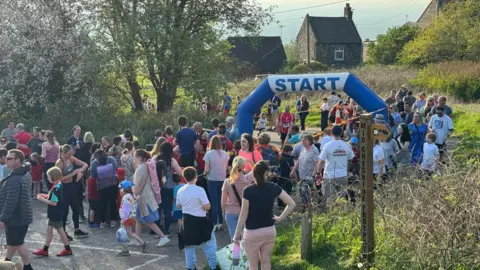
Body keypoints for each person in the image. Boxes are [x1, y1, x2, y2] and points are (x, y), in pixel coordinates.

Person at [233, 161, 296, 270]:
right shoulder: (273, 187)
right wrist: (280, 218)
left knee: (253, 265)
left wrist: (236, 234)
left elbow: (243, 214)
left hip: (252, 232)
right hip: (269, 230)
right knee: (266, 263)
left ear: (254, 173)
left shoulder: (247, 190)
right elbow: (291, 204)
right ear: (267, 173)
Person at [177, 167, 218, 270]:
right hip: (200, 221)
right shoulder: (200, 190)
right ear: (195, 177)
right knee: (210, 245)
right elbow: (207, 206)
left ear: (184, 177)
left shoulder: (180, 190)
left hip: (187, 222)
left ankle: (190, 267)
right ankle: (213, 266)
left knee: (189, 248)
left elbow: (178, 205)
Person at [0, 150, 33, 270]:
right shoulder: (26, 173)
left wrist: (3, 218)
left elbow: (11, 201)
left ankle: (28, 266)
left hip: (16, 217)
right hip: (23, 215)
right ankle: (7, 262)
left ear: (18, 160)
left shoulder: (14, 179)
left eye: (9, 159)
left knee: (18, 243)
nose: (6, 160)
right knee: (12, 242)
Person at [132, 150, 170, 247]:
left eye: (135, 157)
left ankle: (162, 237)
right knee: (139, 219)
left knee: (147, 220)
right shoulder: (148, 166)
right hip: (147, 196)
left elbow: (136, 188)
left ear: (140, 157)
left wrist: (130, 189)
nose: (134, 159)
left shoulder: (140, 169)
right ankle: (137, 240)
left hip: (143, 198)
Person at [33, 167, 73, 257]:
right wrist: (45, 195)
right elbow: (53, 197)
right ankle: (45, 249)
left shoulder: (56, 188)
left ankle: (67, 249)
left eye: (48, 177)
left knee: (60, 232)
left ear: (53, 177)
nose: (47, 178)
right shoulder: (58, 185)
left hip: (55, 213)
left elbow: (54, 203)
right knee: (50, 231)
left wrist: (41, 199)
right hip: (55, 213)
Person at [56, 144, 89, 239]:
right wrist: (72, 174)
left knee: (76, 208)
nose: (71, 155)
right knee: (64, 211)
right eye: (69, 153)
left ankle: (77, 229)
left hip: (71, 186)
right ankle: (63, 232)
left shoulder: (71, 159)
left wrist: (80, 171)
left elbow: (85, 164)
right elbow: (59, 178)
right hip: (63, 187)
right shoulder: (59, 162)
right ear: (64, 153)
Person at [317, 126, 354, 209]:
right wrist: (347, 170)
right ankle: (340, 215)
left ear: (332, 134)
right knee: (341, 198)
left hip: (329, 176)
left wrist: (318, 173)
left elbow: (321, 161)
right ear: (341, 133)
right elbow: (350, 159)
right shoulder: (347, 145)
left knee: (328, 198)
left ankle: (331, 215)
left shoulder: (327, 145)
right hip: (342, 175)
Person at [154, 142, 183, 236]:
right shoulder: (171, 160)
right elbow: (180, 172)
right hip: (169, 187)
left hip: (157, 187)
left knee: (157, 208)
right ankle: (166, 230)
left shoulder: (155, 159)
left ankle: (157, 229)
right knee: (168, 209)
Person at [221, 157, 253, 240]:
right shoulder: (247, 179)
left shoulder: (227, 181)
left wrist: (223, 210)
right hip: (244, 211)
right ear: (243, 167)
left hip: (230, 212)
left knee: (234, 238)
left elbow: (223, 200)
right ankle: (246, 253)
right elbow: (256, 169)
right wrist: (250, 162)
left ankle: (236, 253)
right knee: (245, 237)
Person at [204, 136, 230, 231]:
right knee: (221, 201)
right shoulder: (225, 154)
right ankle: (221, 221)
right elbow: (226, 168)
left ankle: (215, 222)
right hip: (222, 179)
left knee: (214, 202)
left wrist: (205, 174)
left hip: (212, 179)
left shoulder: (208, 154)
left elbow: (206, 170)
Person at [116, 180, 149, 257]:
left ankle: (125, 250)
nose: (120, 190)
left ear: (124, 189)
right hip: (131, 217)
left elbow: (126, 210)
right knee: (129, 233)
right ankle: (142, 243)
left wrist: (123, 220)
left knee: (123, 233)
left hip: (126, 218)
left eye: (121, 189)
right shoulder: (131, 196)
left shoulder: (125, 197)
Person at [90, 149, 119, 228]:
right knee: (113, 202)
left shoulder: (94, 163)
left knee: (102, 203)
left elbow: (93, 175)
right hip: (112, 184)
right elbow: (115, 169)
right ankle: (113, 221)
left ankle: (102, 222)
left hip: (101, 186)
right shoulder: (111, 159)